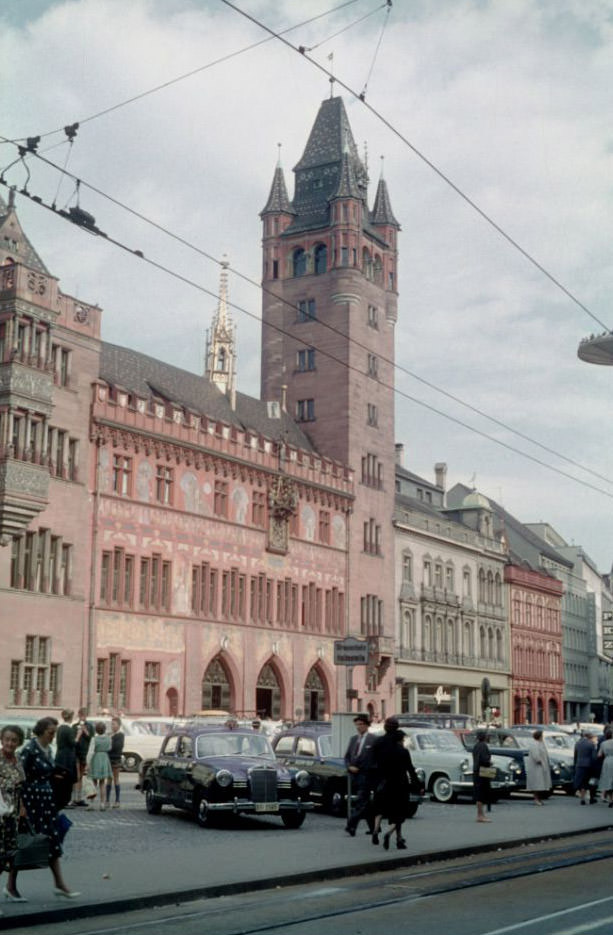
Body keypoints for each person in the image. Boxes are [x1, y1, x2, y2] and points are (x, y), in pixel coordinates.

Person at [18, 716, 80, 898]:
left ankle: (59, 884)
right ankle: (11, 885)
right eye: (50, 733)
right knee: (25, 842)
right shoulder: (30, 749)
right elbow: (20, 777)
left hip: (46, 802)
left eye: (54, 733)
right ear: (41, 731)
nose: (53, 736)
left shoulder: (48, 750)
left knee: (52, 841)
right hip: (32, 802)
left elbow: (48, 771)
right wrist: (21, 804)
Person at [371, 718, 421, 850]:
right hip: (399, 784)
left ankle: (376, 829)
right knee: (399, 813)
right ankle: (393, 836)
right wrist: (418, 785)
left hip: (382, 781)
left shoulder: (378, 742)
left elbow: (372, 762)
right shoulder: (402, 751)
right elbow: (410, 769)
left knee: (380, 808)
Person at [0, 724, 26, 903]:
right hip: (0, 814)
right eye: (7, 739)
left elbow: (21, 786)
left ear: (19, 742)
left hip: (13, 815)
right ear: (1, 740)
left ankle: (11, 888)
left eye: (14, 740)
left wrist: (22, 808)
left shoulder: (17, 759)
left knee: (11, 853)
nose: (10, 743)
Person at [344, 714, 377, 837]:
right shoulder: (353, 739)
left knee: (361, 801)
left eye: (361, 724)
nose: (359, 727)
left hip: (367, 775)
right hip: (354, 775)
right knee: (366, 803)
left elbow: (376, 759)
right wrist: (349, 766)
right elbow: (347, 757)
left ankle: (351, 825)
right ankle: (374, 827)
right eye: (357, 724)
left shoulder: (373, 740)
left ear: (367, 725)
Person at [71, 708, 94, 807]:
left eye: (84, 716)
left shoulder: (90, 726)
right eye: (81, 716)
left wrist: (85, 731)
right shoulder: (74, 726)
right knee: (76, 776)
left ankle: (80, 798)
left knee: (82, 776)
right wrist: (78, 733)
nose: (82, 717)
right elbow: (72, 739)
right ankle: (74, 798)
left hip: (85, 753)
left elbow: (91, 738)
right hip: (76, 753)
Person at [54, 709, 77, 806]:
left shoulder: (59, 728)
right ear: (71, 717)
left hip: (60, 754)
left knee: (60, 777)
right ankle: (67, 799)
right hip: (68, 756)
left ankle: (58, 797)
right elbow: (73, 743)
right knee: (68, 778)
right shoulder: (69, 729)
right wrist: (78, 736)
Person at [89, 722, 113, 810]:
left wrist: (88, 763)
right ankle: (102, 803)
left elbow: (90, 752)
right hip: (104, 758)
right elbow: (109, 748)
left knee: (94, 782)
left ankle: (91, 804)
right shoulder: (109, 738)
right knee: (102, 782)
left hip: (96, 758)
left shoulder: (94, 739)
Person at [525, 730, 552, 805]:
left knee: (541, 784)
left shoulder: (541, 743)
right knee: (537, 783)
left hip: (542, 766)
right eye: (542, 736)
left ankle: (539, 798)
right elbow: (536, 756)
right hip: (536, 767)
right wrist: (540, 760)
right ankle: (536, 799)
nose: (542, 737)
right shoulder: (534, 744)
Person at [472, 730, 493, 823]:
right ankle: (481, 815)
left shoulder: (476, 746)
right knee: (482, 793)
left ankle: (480, 814)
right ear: (484, 737)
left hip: (476, 770)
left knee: (478, 792)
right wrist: (490, 762)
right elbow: (484, 760)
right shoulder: (483, 746)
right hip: (483, 771)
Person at [106, 717, 124, 809]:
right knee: (109, 779)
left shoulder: (120, 735)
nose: (112, 726)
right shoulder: (109, 734)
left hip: (116, 759)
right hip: (109, 758)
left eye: (114, 724)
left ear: (119, 725)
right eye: (111, 724)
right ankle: (107, 800)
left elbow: (117, 746)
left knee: (116, 778)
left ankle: (117, 800)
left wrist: (110, 740)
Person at [574, 730, 596, 805]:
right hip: (588, 765)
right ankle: (591, 798)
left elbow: (575, 756)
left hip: (579, 764)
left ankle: (582, 798)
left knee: (581, 781)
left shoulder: (577, 743)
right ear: (589, 737)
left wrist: (575, 764)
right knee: (589, 782)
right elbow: (593, 757)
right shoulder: (591, 744)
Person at [598, 728, 613, 806]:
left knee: (608, 780)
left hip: (607, 761)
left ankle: (611, 799)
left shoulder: (603, 743)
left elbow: (599, 754)